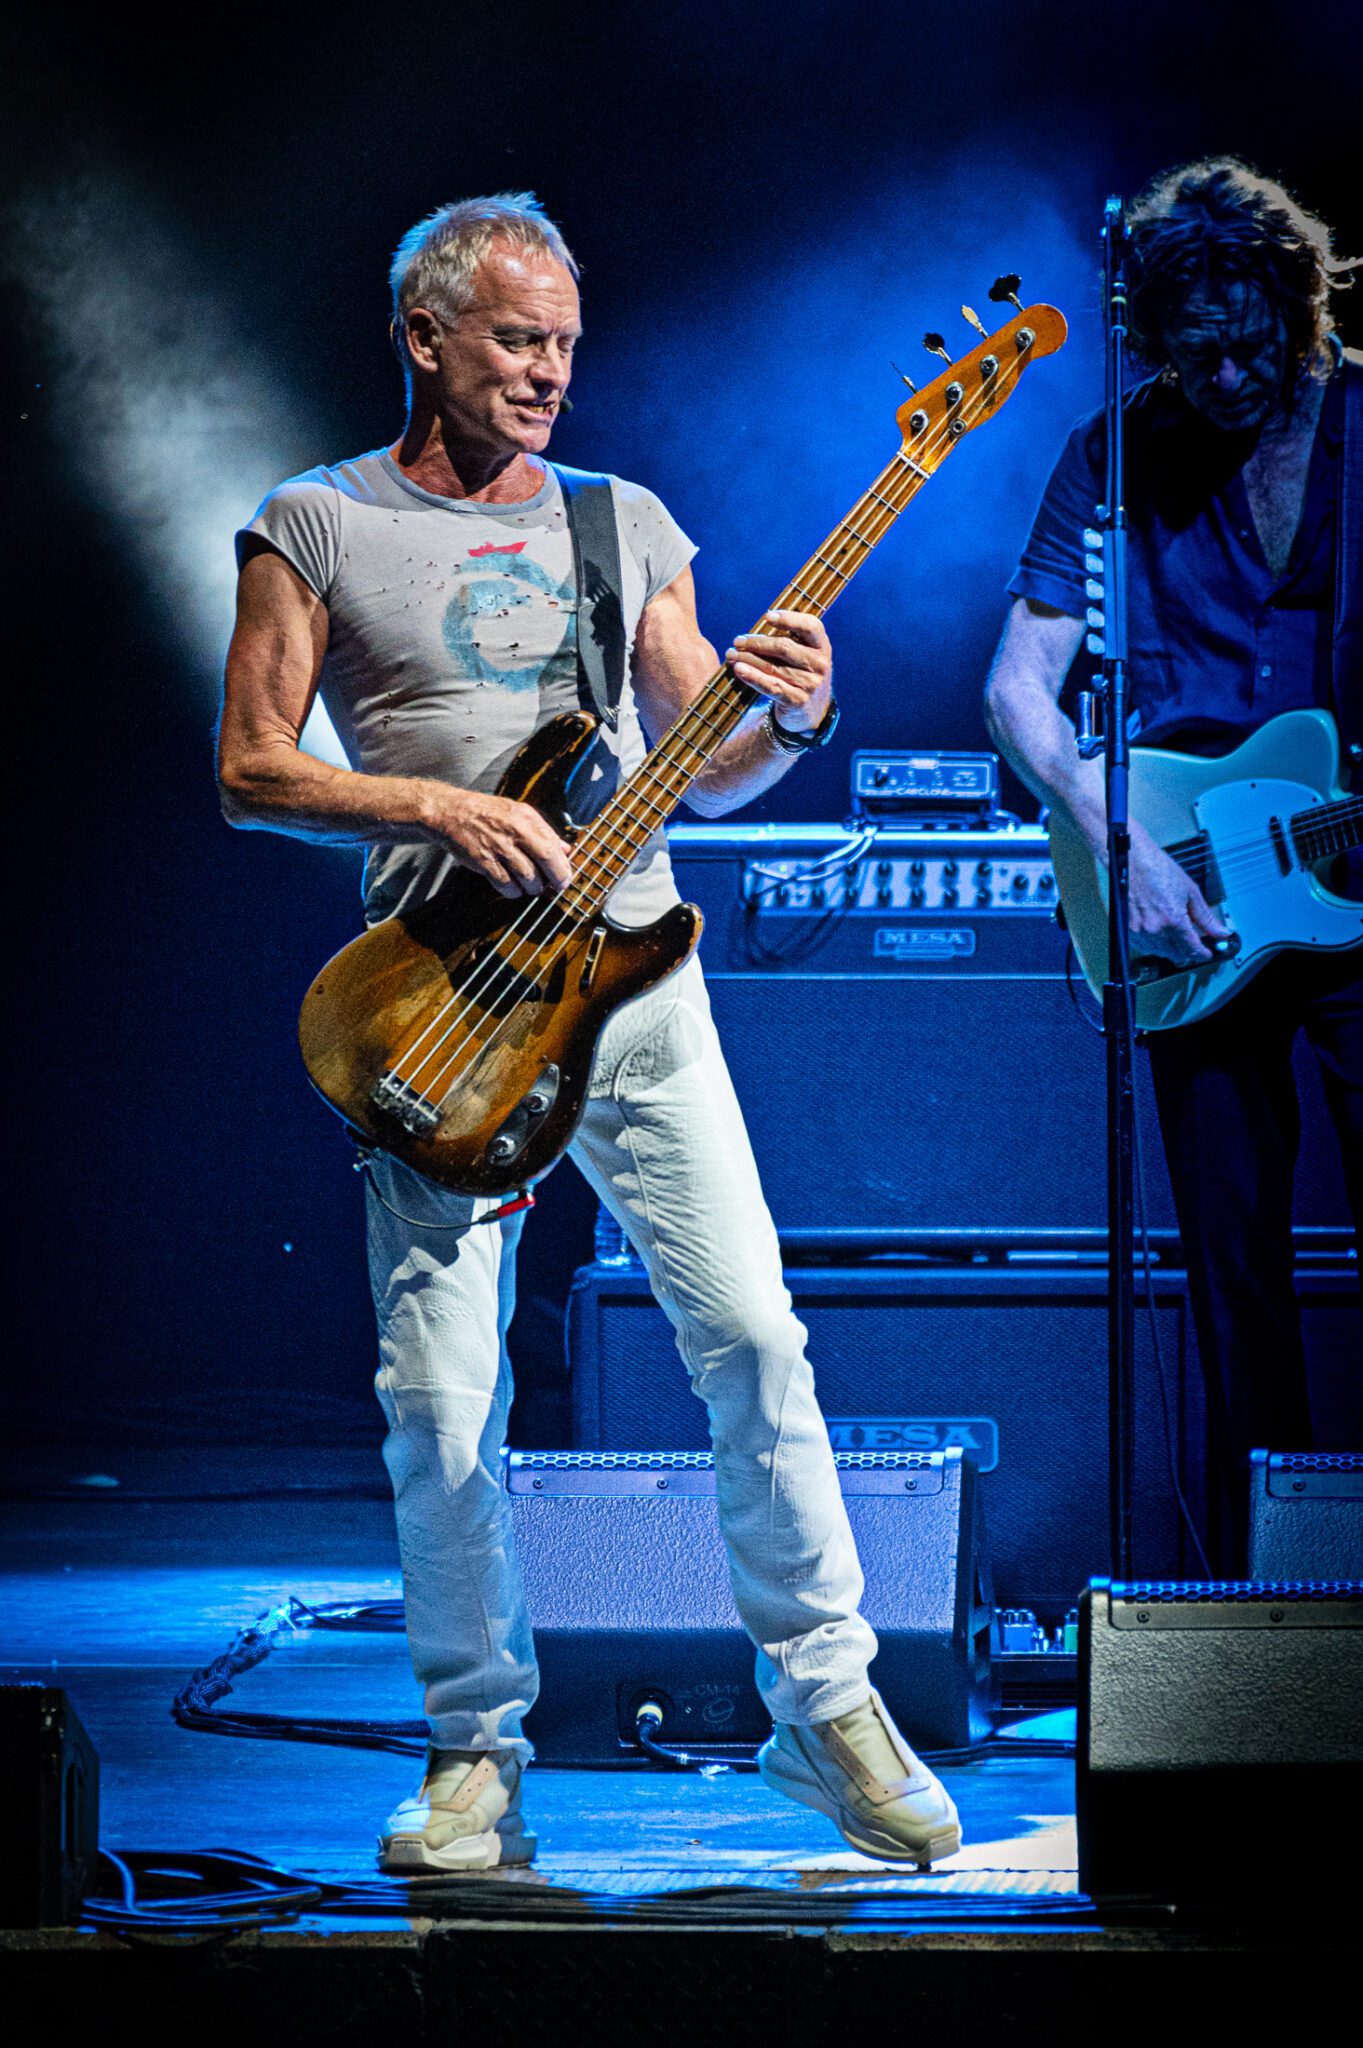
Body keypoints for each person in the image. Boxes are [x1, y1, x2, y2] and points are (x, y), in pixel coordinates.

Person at [218, 193, 960, 1872]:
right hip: (446, 1010)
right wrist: (432, 804)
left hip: (636, 987)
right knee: (442, 1401)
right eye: (515, 340)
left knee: (755, 1342)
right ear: (423, 337)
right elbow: (250, 765)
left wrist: (796, 715)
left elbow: (716, 766)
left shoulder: (621, 522)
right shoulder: (315, 520)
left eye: (565, 342)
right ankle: (475, 1752)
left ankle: (826, 1707)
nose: (551, 371)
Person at [984, 159, 1362, 1571]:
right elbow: (1018, 691)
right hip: (1191, 892)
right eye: (1195, 354)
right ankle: (1261, 1603)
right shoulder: (1114, 453)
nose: (1229, 378)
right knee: (1231, 1273)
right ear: (1148, 335)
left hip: (1352, 874)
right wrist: (1120, 843)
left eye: (1253, 345)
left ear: (1298, 309)